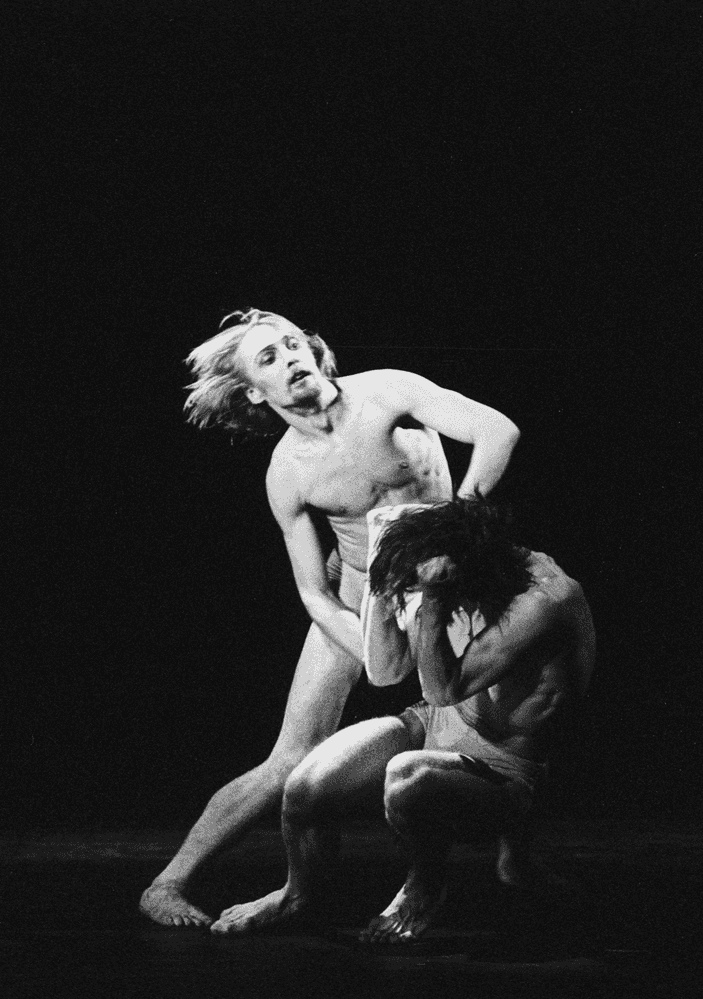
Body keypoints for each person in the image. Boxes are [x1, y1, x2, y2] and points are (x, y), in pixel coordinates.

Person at [140, 310, 520, 927]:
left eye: (294, 344)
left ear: (315, 351)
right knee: (288, 759)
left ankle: (509, 859)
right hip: (359, 592)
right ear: (253, 393)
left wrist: (457, 533)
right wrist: (366, 643)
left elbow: (496, 432)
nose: (290, 358)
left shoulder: (386, 392)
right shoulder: (288, 473)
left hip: (446, 576)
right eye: (268, 358)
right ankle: (169, 881)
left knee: (490, 728)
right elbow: (313, 593)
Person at [208, 499, 596, 941]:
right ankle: (296, 893)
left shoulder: (543, 600)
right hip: (432, 724)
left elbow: (442, 689)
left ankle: (426, 883)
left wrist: (431, 600)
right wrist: (384, 552)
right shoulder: (458, 565)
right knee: (306, 784)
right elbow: (385, 672)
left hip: (502, 769)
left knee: (406, 776)